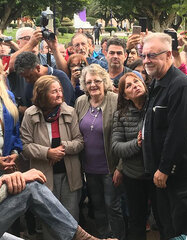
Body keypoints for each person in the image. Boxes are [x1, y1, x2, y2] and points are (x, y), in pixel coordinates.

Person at [0, 96, 115, 240]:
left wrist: (10, 178)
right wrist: (16, 181)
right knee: (30, 187)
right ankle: (82, 237)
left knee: (28, 184)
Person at [141, 33, 187, 240]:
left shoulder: (180, 85)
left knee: (182, 231)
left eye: (152, 55)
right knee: (167, 229)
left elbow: (179, 132)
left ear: (168, 54)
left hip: (178, 177)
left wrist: (165, 168)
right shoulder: (156, 82)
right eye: (143, 56)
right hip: (162, 176)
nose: (146, 61)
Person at [20, 75, 84, 239]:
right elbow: (25, 146)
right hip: (44, 176)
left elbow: (79, 142)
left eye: (60, 90)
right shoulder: (30, 114)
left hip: (69, 175)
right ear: (42, 94)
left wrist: (62, 149)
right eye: (54, 91)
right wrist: (47, 153)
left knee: (70, 218)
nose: (59, 94)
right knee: (49, 219)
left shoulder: (70, 111)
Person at [75, 64, 125, 239]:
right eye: (89, 82)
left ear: (105, 82)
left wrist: (120, 166)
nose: (93, 85)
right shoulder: (81, 102)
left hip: (110, 166)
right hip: (89, 167)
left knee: (113, 206)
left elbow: (124, 134)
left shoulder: (115, 100)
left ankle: (117, 236)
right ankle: (104, 236)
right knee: (97, 206)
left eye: (97, 81)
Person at [111, 72, 154, 240]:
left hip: (156, 174)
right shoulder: (120, 115)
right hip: (133, 175)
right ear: (125, 96)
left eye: (137, 81)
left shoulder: (155, 107)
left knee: (163, 217)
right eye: (128, 86)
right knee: (136, 221)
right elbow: (116, 147)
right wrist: (136, 144)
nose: (134, 85)